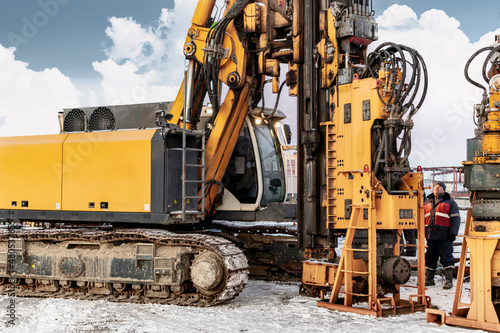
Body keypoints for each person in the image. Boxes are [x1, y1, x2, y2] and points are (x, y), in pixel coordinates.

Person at [424, 182, 460, 289]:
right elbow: (422, 218)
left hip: (445, 237)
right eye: (435, 187)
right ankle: (429, 280)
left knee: (447, 258)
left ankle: (449, 281)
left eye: (439, 187)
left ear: (444, 190)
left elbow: (455, 219)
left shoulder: (450, 202)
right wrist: (420, 232)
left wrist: (453, 233)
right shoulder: (427, 202)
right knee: (430, 258)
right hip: (431, 236)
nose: (437, 189)